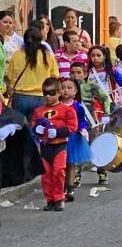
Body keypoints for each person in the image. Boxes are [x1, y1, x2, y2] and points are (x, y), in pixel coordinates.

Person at [31, 77, 78, 211]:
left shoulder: (67, 110)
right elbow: (34, 124)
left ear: (59, 93)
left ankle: (59, 198)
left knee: (58, 171)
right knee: (46, 175)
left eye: (51, 93)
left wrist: (58, 132)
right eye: (45, 92)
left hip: (59, 146)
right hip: (45, 147)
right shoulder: (38, 111)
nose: (47, 96)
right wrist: (36, 129)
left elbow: (72, 127)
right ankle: (50, 199)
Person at [6, 24, 59, 119]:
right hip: (41, 97)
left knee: (21, 129)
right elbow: (55, 76)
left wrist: (11, 90)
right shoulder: (47, 55)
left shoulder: (17, 54)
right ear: (40, 40)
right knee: (38, 128)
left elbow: (8, 77)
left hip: (20, 97)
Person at [59, 78, 91, 203]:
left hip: (72, 137)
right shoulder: (57, 105)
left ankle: (70, 188)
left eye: (69, 88)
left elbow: (82, 121)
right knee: (60, 164)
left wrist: (83, 129)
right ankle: (60, 188)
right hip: (59, 137)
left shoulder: (78, 106)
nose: (65, 90)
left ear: (76, 91)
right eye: (63, 87)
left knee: (71, 164)